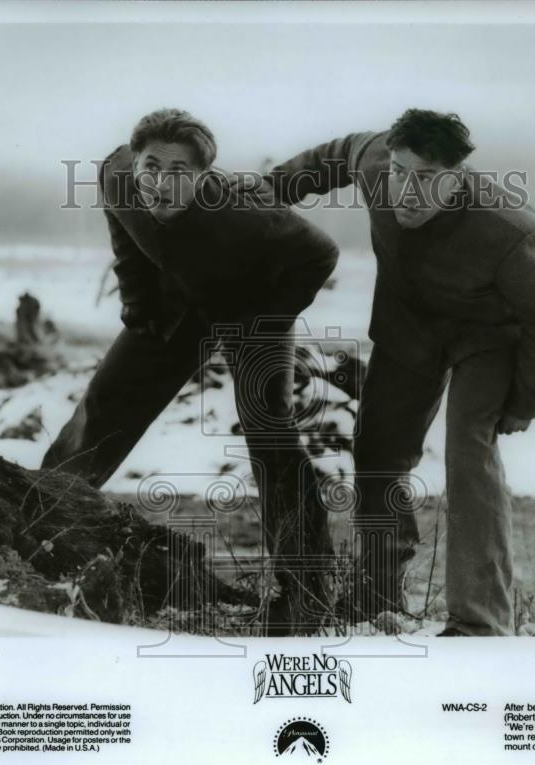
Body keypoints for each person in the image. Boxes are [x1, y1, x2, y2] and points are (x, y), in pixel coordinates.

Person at [264, 109, 535, 636]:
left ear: (456, 178)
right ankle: (378, 595)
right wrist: (266, 192)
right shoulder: (376, 159)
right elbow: (330, 157)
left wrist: (524, 402)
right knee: (379, 449)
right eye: (401, 172)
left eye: (426, 179)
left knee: (468, 451)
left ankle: (480, 622)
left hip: (487, 339)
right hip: (409, 329)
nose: (407, 189)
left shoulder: (511, 231)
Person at [42, 108, 340, 633]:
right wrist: (138, 304)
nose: (160, 181)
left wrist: (261, 320)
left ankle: (306, 591)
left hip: (250, 305)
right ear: (134, 161)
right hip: (175, 301)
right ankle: (40, 523)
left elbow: (320, 253)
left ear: (203, 179)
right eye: (151, 165)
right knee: (105, 404)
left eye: (179, 171)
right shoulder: (117, 175)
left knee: (269, 434)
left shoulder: (244, 213)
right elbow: (125, 235)